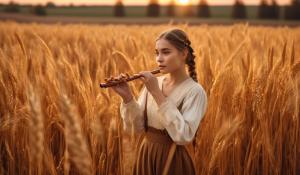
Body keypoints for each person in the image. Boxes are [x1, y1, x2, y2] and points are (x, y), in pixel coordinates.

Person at [111, 28, 208, 175]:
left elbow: (183, 136)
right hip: (146, 155)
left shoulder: (195, 91)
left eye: (166, 52)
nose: (159, 59)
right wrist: (127, 97)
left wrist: (156, 92)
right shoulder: (155, 82)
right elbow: (137, 128)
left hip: (172, 161)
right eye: (157, 53)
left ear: (183, 54)